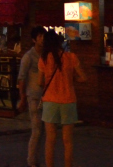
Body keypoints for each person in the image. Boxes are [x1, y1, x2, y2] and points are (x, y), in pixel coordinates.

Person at [38, 30, 86, 167]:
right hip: (68, 100)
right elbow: (83, 78)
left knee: (50, 140)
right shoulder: (71, 57)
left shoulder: (44, 59)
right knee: (68, 141)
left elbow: (39, 82)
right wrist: (71, 79)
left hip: (50, 101)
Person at [17, 26, 46, 167]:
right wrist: (22, 98)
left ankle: (38, 159)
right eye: (39, 36)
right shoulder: (28, 57)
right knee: (37, 130)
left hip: (46, 97)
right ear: (34, 39)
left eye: (43, 36)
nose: (42, 39)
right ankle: (31, 161)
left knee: (44, 131)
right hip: (33, 96)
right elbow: (21, 78)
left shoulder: (47, 55)